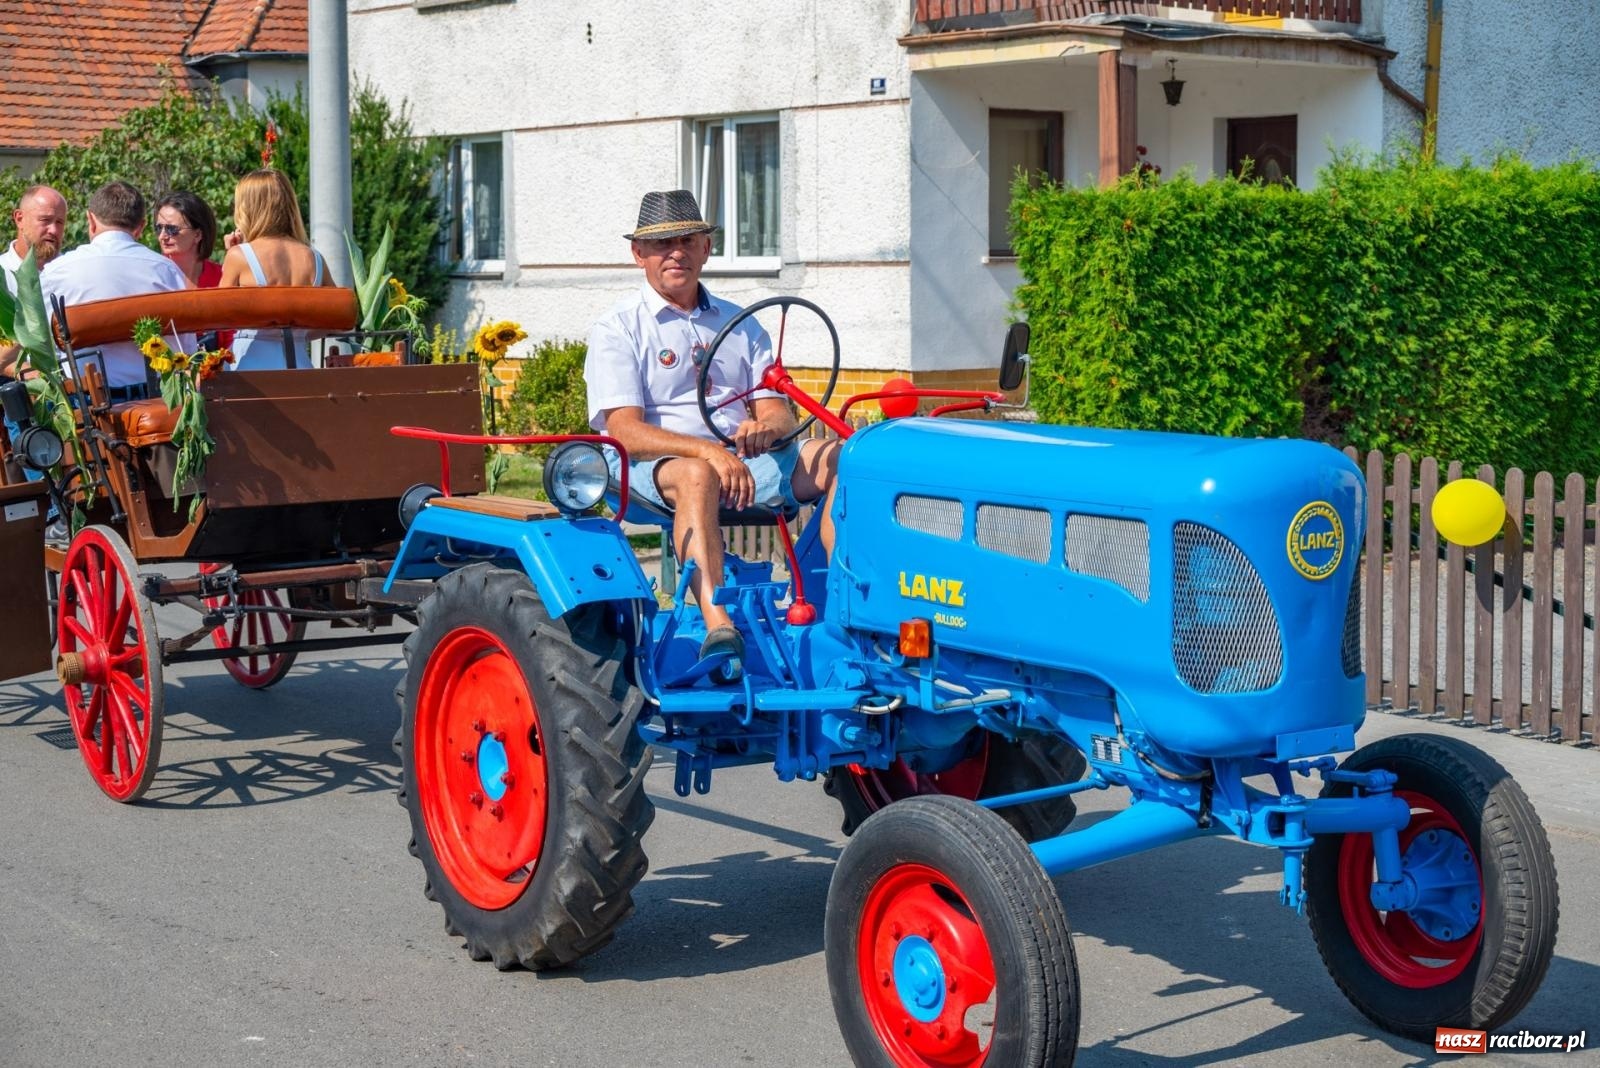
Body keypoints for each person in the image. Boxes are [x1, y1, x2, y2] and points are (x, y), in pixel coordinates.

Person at [586, 189, 840, 671]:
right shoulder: (618, 328)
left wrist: (765, 429)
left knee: (842, 459)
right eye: (661, 244)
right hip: (652, 468)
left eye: (687, 240)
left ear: (706, 248)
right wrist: (710, 453)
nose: (675, 252)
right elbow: (625, 431)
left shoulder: (740, 324)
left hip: (746, 464)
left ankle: (845, 605)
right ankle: (718, 624)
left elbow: (781, 412)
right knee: (696, 476)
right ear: (639, 255)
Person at [39, 181, 189, 399]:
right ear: (141, 227)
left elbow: (41, 348)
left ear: (90, 220)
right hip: (160, 402)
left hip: (90, 408)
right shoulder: (166, 271)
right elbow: (186, 345)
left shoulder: (56, 273)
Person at [218, 168, 333, 370]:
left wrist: (232, 254)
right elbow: (336, 320)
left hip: (251, 366)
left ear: (248, 208)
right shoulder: (315, 259)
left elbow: (219, 316)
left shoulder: (239, 256)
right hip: (299, 364)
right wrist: (299, 334)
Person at [1, 184, 67, 380]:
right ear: (19, 219)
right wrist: (45, 379)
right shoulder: (2, 274)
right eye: (45, 220)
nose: (54, 230)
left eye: (60, 222)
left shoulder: (71, 273)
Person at [154, 189, 222, 288]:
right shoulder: (152, 274)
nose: (162, 236)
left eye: (172, 229)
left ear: (197, 235)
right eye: (159, 228)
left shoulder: (222, 277)